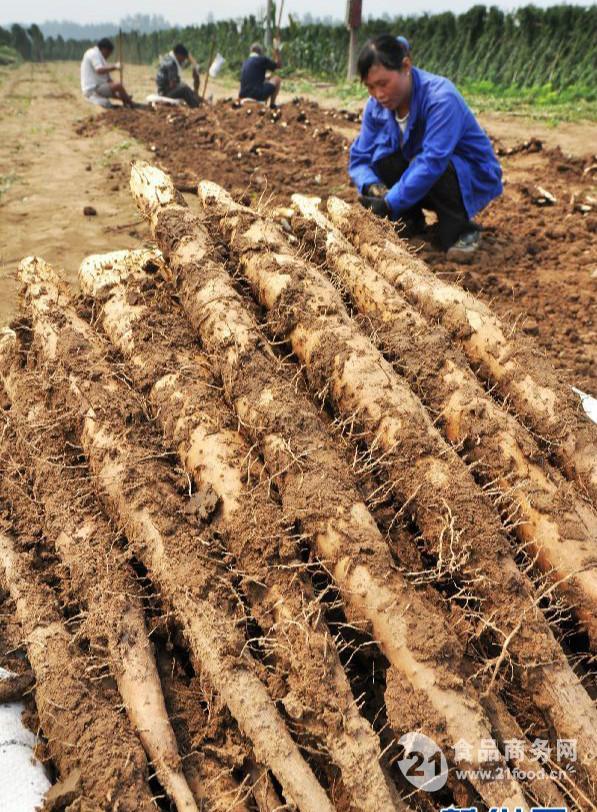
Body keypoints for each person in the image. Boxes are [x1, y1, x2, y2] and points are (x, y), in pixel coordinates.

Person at [349, 34, 502, 261]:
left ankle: (462, 229)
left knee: (436, 169)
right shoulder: (376, 106)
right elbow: (359, 158)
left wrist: (390, 203)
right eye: (370, 87)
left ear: (406, 66)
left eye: (383, 83)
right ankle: (410, 219)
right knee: (382, 157)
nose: (378, 94)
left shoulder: (440, 98)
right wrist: (373, 187)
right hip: (421, 175)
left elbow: (432, 162)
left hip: (466, 177)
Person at [80, 38, 134, 108]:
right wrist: (115, 67)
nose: (108, 56)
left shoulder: (101, 58)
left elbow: (108, 81)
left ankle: (127, 102)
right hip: (92, 89)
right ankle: (132, 105)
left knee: (117, 88)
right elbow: (99, 70)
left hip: (98, 87)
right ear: (104, 49)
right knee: (118, 85)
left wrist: (124, 96)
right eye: (108, 53)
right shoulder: (93, 53)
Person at [156, 44, 201, 108]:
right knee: (185, 89)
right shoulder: (171, 63)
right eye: (183, 58)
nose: (183, 60)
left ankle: (198, 101)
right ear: (179, 55)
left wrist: (194, 64)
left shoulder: (169, 58)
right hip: (165, 93)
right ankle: (197, 107)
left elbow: (188, 59)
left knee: (186, 88)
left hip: (164, 90)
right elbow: (172, 84)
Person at [239, 41, 282, 108]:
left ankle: (263, 102)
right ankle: (272, 105)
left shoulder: (245, 62)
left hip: (243, 95)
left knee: (265, 80)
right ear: (260, 52)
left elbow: (254, 77)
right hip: (256, 95)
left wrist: (266, 77)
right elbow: (278, 65)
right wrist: (277, 50)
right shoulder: (262, 59)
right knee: (277, 79)